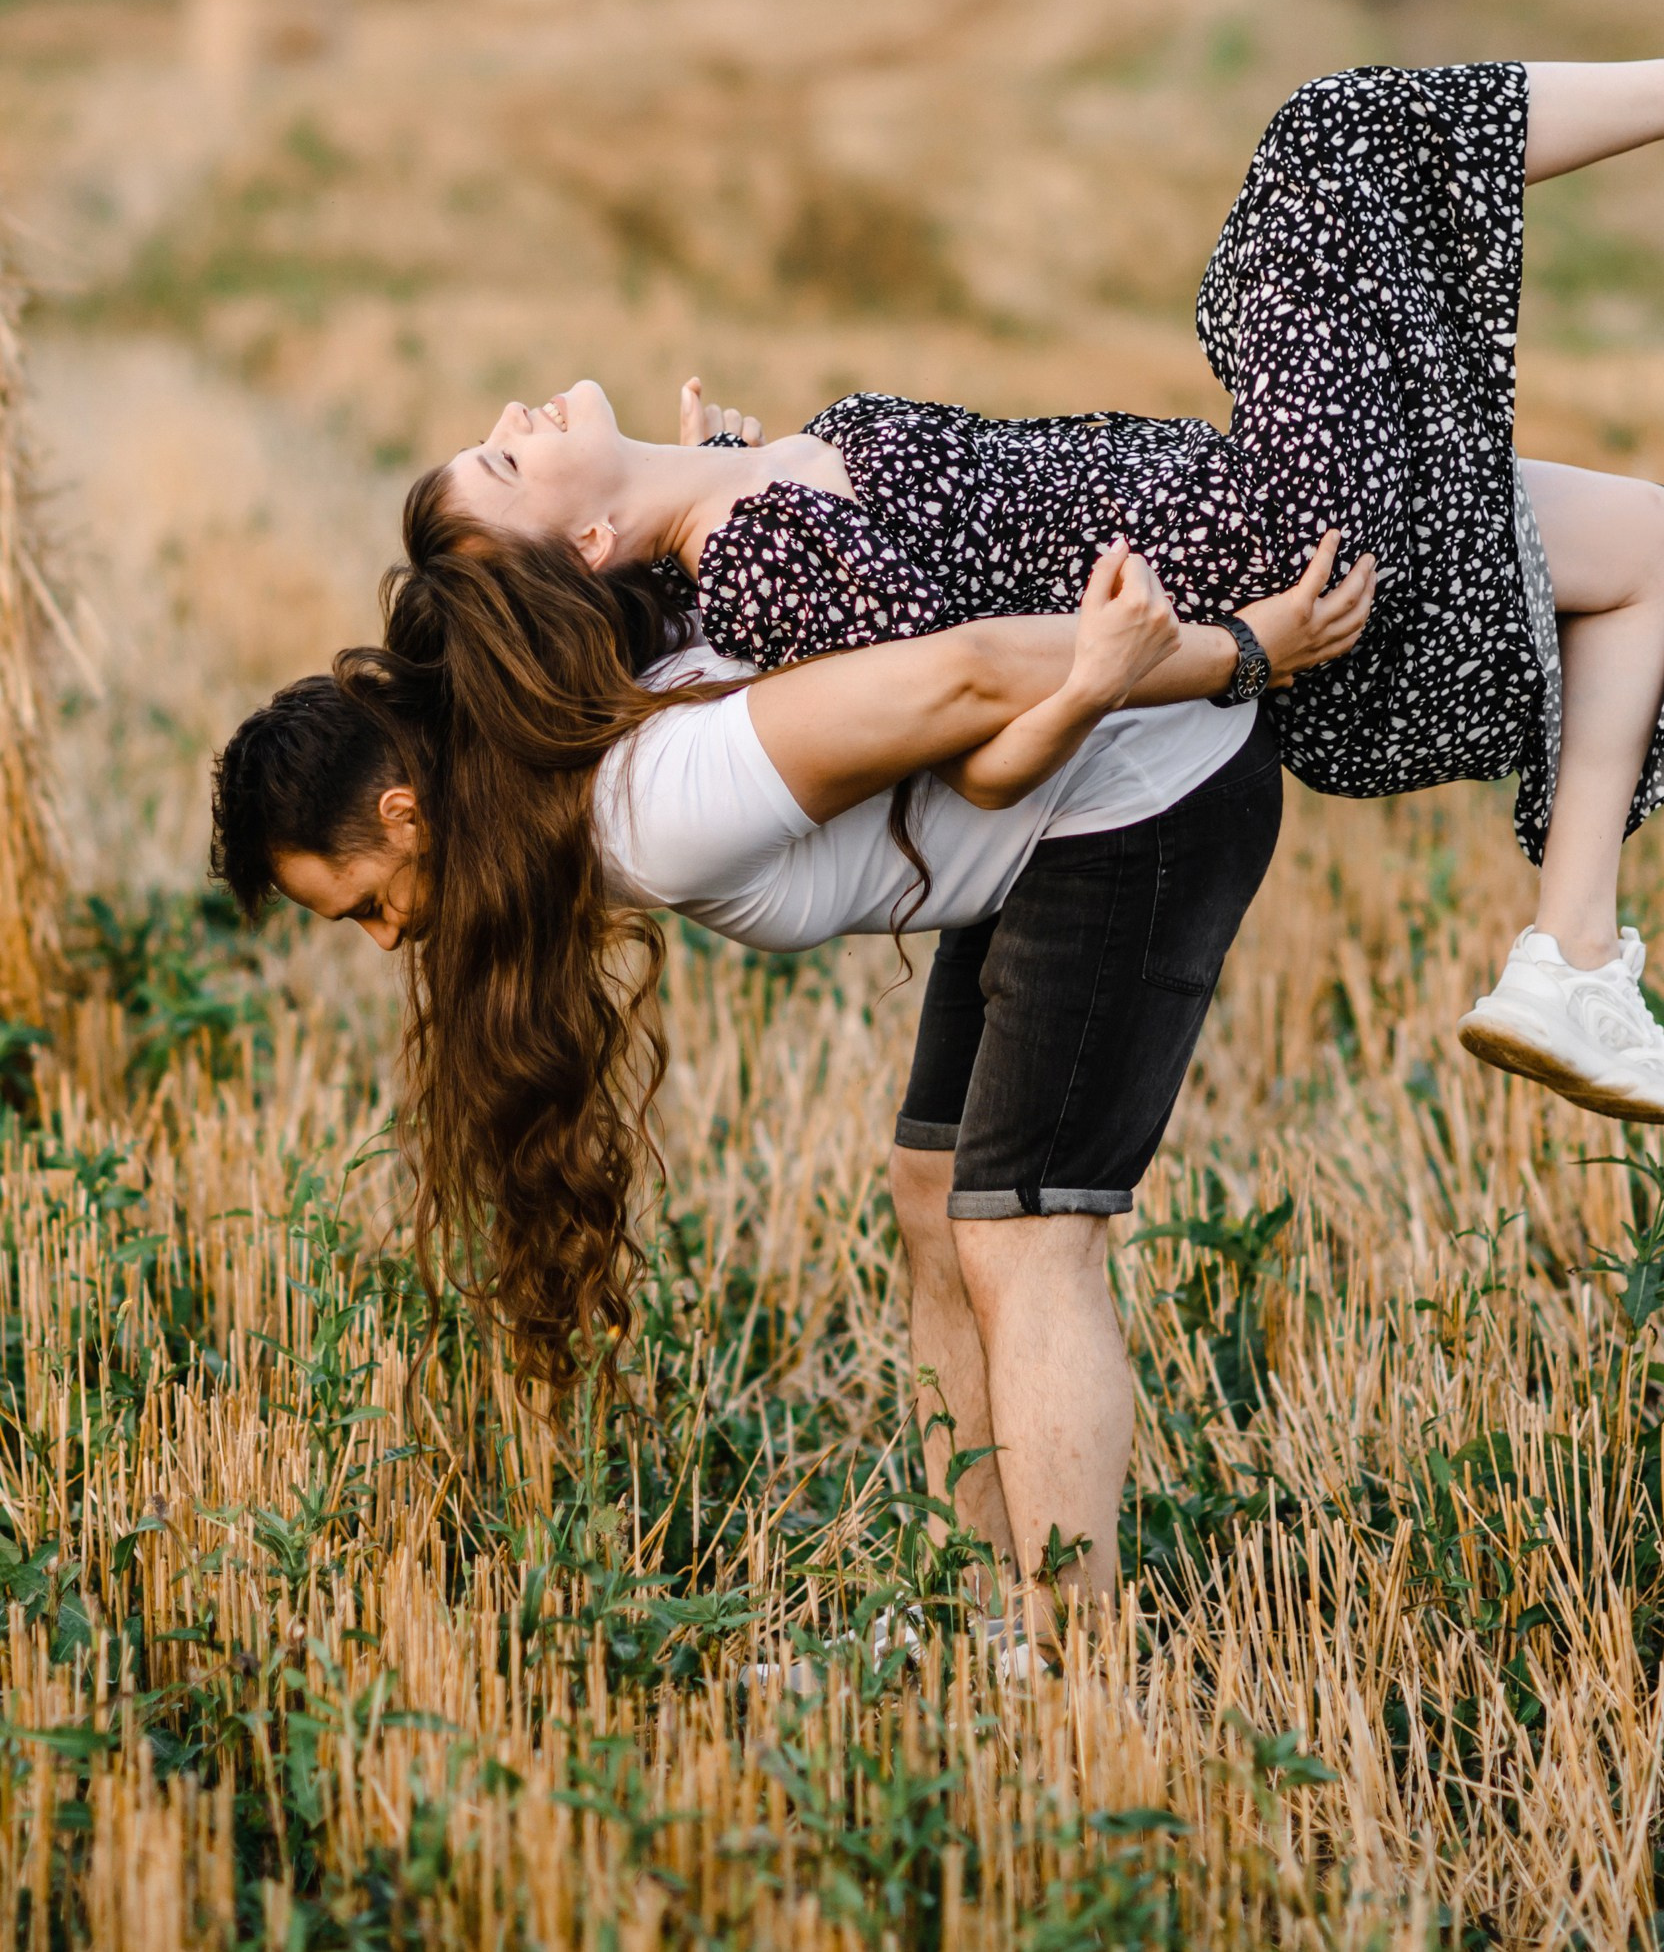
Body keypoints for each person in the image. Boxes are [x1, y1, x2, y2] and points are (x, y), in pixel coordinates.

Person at [419, 0, 1664, 1127]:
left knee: (1644, 538)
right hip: (1269, 538)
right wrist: (1198, 653)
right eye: (498, 467)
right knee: (1323, 150)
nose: (509, 419)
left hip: (1259, 525)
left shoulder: (736, 506)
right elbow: (977, 741)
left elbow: (894, 565)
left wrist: (726, 455)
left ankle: (1572, 960)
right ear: (587, 550)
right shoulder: (759, 554)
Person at [214, 535, 1371, 1635]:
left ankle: (1070, 1655)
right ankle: (979, 1612)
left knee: (1023, 1237)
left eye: (367, 902)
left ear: (404, 814)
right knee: (935, 1196)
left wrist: (1240, 650)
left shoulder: (654, 809)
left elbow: (961, 676)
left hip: (1137, 801)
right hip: (1026, 832)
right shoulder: (546, 786)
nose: (383, 940)